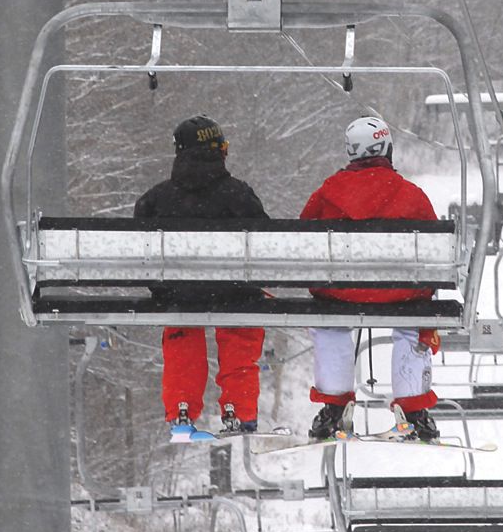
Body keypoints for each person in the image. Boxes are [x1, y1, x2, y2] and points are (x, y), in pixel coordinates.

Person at [300, 115, 440, 442]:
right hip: (401, 295)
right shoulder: (410, 195)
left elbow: (304, 240)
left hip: (339, 294)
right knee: (411, 325)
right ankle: (413, 412)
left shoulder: (327, 193)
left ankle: (334, 409)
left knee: (330, 324)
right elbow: (436, 253)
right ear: (386, 148)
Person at [134, 116, 268, 436]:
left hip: (179, 295)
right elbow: (266, 246)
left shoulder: (155, 200)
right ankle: (239, 410)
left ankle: (182, 410)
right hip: (235, 294)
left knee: (182, 332)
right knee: (240, 333)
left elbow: (142, 255)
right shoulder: (239, 195)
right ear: (219, 151)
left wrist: (163, 288)